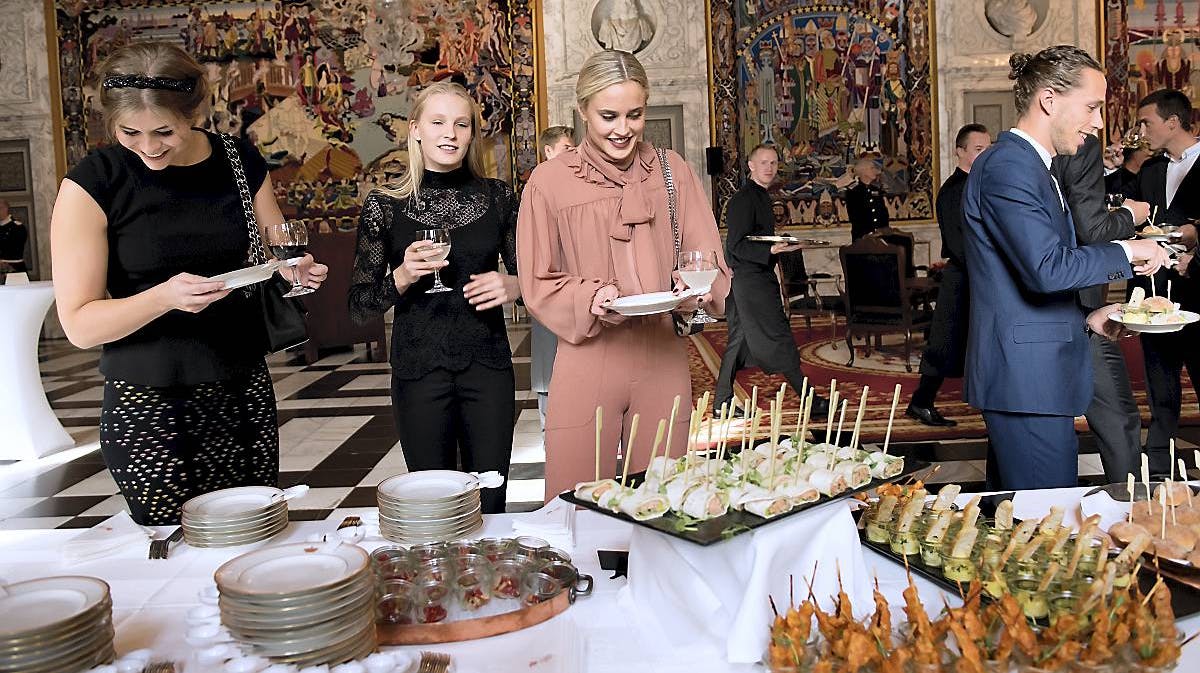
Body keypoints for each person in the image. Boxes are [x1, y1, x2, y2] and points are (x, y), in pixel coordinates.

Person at [50, 42, 328, 525]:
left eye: (164, 131)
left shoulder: (238, 161)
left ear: (194, 114)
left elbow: (276, 249)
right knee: (174, 546)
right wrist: (163, 297)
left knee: (251, 541)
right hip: (151, 404)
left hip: (242, 390)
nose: (149, 146)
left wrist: (292, 271)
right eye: (129, 132)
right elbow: (79, 324)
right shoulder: (94, 182)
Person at [518, 50, 731, 500]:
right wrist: (588, 297)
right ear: (582, 111)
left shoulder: (674, 172)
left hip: (663, 357)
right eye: (608, 115)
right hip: (587, 357)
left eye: (635, 115)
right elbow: (538, 280)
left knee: (662, 503)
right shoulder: (549, 182)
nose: (623, 129)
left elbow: (707, 255)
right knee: (576, 504)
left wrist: (693, 284)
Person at [961, 46, 1171, 491]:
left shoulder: (1036, 167)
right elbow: (1046, 269)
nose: (1098, 123)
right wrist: (1129, 250)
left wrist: (1089, 320)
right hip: (1026, 380)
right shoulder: (1010, 166)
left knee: (1020, 524)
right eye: (1093, 107)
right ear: (1049, 100)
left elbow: (1025, 278)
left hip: (1033, 373)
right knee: (1047, 526)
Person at [349, 81, 519, 514]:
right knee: (434, 504)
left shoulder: (498, 197)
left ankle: (489, 581)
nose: (450, 133)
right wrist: (403, 275)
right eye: (438, 122)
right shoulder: (384, 205)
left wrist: (513, 287)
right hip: (419, 371)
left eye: (462, 124)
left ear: (471, 133)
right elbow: (359, 305)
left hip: (487, 367)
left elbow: (534, 280)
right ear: (416, 130)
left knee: (491, 498)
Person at [1052, 132, 1151, 483]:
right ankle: (1129, 506)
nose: (1097, 122)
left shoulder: (1012, 155)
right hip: (1078, 303)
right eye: (1093, 106)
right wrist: (1130, 215)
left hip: (1044, 309)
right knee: (1117, 415)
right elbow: (1092, 228)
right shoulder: (1079, 144)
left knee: (1033, 427)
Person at [714, 144, 830, 418]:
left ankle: (722, 403)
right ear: (751, 166)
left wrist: (779, 248)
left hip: (751, 282)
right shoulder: (744, 199)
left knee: (738, 340)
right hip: (751, 284)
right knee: (779, 337)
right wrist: (772, 250)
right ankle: (809, 401)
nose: (769, 168)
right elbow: (736, 246)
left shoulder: (762, 197)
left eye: (774, 163)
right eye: (763, 163)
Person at [1126, 88, 1200, 476]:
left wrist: (1196, 239)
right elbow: (1137, 218)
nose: (1142, 130)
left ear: (1173, 122)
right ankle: (1158, 467)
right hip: (1157, 292)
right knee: (1160, 385)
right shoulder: (1151, 170)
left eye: (1147, 122)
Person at [906, 124, 991, 427]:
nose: (985, 155)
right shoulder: (954, 190)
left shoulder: (980, 184)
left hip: (980, 275)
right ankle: (920, 402)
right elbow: (959, 245)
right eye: (979, 149)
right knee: (945, 343)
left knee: (982, 343)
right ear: (960, 152)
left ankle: (990, 403)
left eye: (987, 149)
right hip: (963, 277)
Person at [530, 125, 574, 429]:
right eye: (567, 148)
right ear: (548, 151)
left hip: (578, 286)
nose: (574, 154)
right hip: (549, 284)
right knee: (550, 364)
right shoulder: (536, 188)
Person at [845, 157, 889, 240]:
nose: (875, 171)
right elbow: (855, 216)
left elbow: (883, 212)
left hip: (880, 235)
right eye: (872, 168)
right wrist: (870, 233)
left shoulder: (876, 190)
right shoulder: (853, 192)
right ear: (863, 171)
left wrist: (883, 230)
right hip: (863, 236)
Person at [0, 199, 27, 277]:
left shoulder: (17, 227)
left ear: (6, 208)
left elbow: (16, 248)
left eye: (0, 208)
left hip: (15, 268)